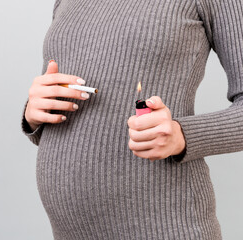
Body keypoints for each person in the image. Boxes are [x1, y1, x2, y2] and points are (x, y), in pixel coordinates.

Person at [21, 0, 243, 239]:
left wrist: (182, 135)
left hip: (165, 226)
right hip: (70, 232)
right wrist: (35, 113)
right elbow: (68, 113)